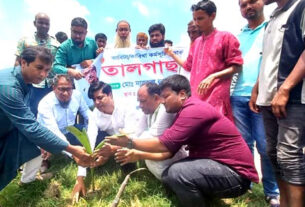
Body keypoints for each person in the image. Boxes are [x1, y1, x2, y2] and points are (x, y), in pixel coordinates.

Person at [106, 74, 258, 207]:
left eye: (166, 97)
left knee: (178, 173)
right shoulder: (184, 112)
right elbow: (167, 152)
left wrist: (129, 142)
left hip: (236, 175)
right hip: (220, 168)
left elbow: (162, 144)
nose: (163, 101)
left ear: (182, 94)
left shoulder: (193, 110)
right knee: (169, 175)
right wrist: (139, 155)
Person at [0, 46, 94, 191]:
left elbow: (27, 120)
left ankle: (27, 181)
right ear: (23, 62)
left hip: (8, 130)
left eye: (47, 70)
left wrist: (46, 141)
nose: (43, 74)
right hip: (9, 131)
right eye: (39, 68)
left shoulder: (25, 82)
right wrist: (73, 151)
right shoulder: (9, 88)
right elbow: (31, 127)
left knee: (36, 141)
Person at [249, 0, 305, 206]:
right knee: (273, 155)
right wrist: (257, 88)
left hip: (293, 98)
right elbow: (268, 59)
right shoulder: (273, 17)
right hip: (268, 99)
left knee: (289, 157)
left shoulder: (300, 7)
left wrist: (286, 88)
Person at [230, 0, 280, 206]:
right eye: (243, 5)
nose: (248, 7)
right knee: (243, 144)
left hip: (263, 97)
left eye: (252, 2)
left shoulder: (271, 28)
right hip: (236, 97)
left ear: (263, 3)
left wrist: (259, 91)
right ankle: (246, 184)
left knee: (266, 146)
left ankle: (272, 191)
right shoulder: (237, 36)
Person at [166, 0, 243, 121]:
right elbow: (187, 66)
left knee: (216, 134)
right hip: (197, 98)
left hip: (216, 99)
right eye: (195, 19)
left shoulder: (225, 37)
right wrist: (172, 55)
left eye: (200, 18)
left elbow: (237, 66)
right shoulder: (196, 43)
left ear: (213, 16)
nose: (196, 23)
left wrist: (213, 76)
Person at [72, 81, 139, 198]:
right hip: (108, 141)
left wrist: (113, 150)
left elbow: (133, 137)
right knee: (92, 143)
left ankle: (125, 166)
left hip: (129, 142)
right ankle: (100, 162)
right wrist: (79, 178)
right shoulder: (94, 115)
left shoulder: (127, 106)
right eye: (94, 100)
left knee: (127, 159)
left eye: (100, 98)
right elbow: (90, 141)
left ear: (110, 95)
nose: (97, 103)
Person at [20, 74, 91, 184]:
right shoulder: (45, 103)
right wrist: (73, 153)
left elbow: (87, 113)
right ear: (54, 88)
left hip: (70, 131)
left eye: (69, 89)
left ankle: (89, 158)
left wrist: (93, 130)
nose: (66, 93)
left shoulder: (77, 95)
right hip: (48, 136)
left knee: (89, 131)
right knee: (37, 148)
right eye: (62, 89)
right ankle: (29, 178)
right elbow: (54, 132)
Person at [115, 83, 188, 180]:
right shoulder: (147, 111)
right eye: (139, 101)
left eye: (143, 101)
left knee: (141, 146)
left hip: (173, 157)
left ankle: (171, 178)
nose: (140, 105)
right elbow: (137, 131)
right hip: (162, 156)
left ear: (156, 98)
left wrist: (126, 143)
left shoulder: (164, 110)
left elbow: (152, 135)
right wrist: (122, 141)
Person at [15, 12, 60, 116]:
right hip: (29, 84)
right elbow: (18, 61)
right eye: (41, 23)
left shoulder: (56, 44)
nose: (44, 26)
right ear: (35, 23)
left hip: (49, 85)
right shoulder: (25, 41)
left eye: (47, 23)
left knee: (48, 113)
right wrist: (19, 82)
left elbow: (58, 65)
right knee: (28, 112)